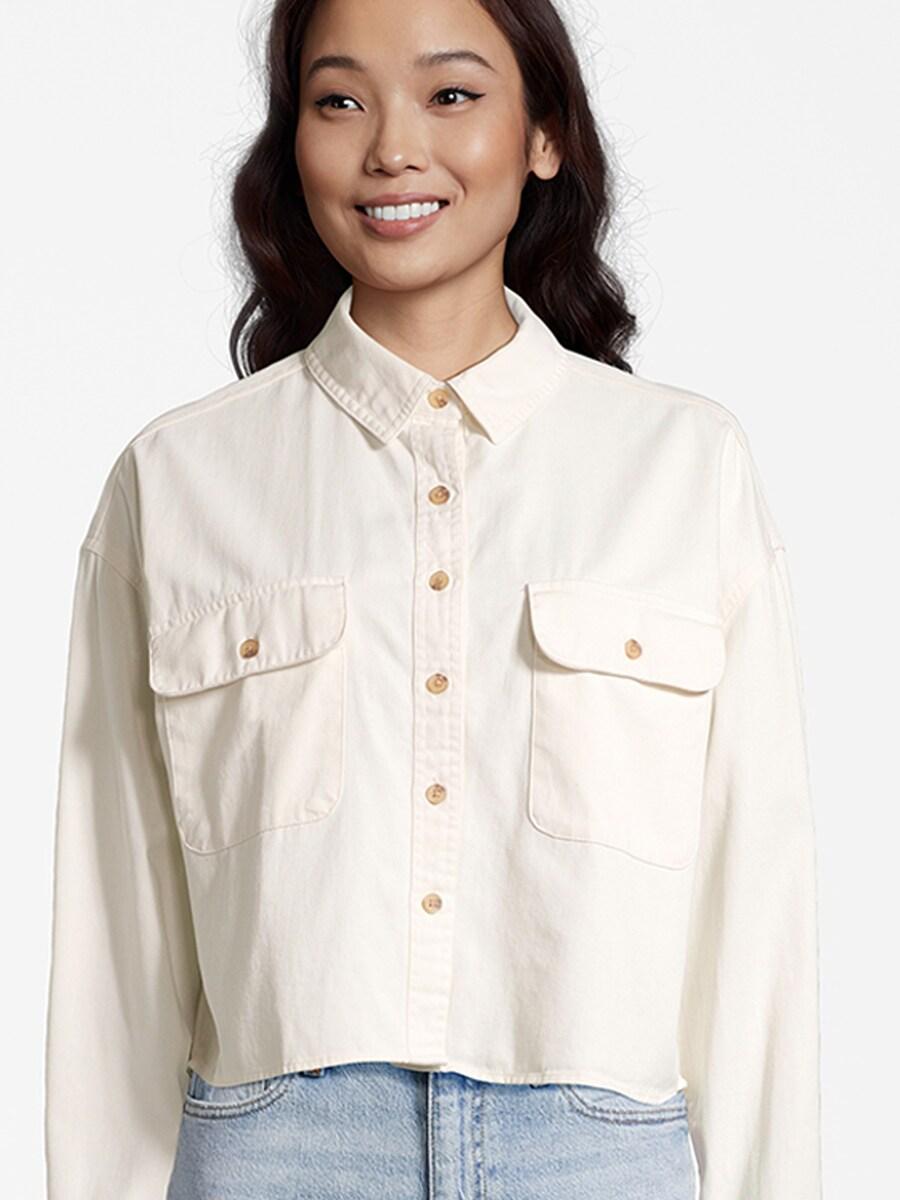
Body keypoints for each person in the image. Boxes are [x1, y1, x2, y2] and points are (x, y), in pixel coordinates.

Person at [43, 0, 823, 1197]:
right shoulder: (178, 482)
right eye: (339, 100)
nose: (392, 147)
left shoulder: (684, 470)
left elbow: (754, 902)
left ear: (545, 133)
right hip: (273, 1154)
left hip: (598, 1156)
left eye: (451, 94)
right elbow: (115, 931)